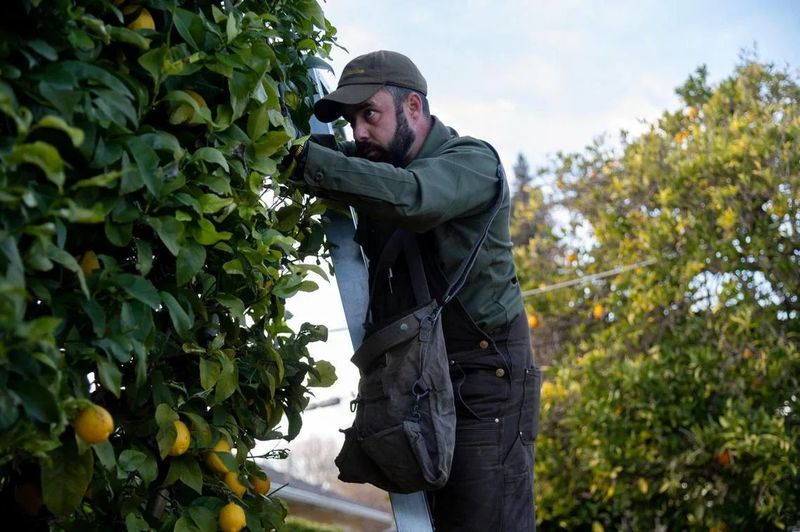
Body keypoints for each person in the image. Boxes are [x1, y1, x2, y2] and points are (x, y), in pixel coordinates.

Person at [286, 50, 541, 531]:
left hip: (485, 383)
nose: (358, 132)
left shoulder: (472, 161)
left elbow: (413, 198)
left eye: (370, 114)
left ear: (414, 109)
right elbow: (358, 171)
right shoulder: (374, 168)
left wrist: (307, 162)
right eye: (350, 120)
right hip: (418, 378)